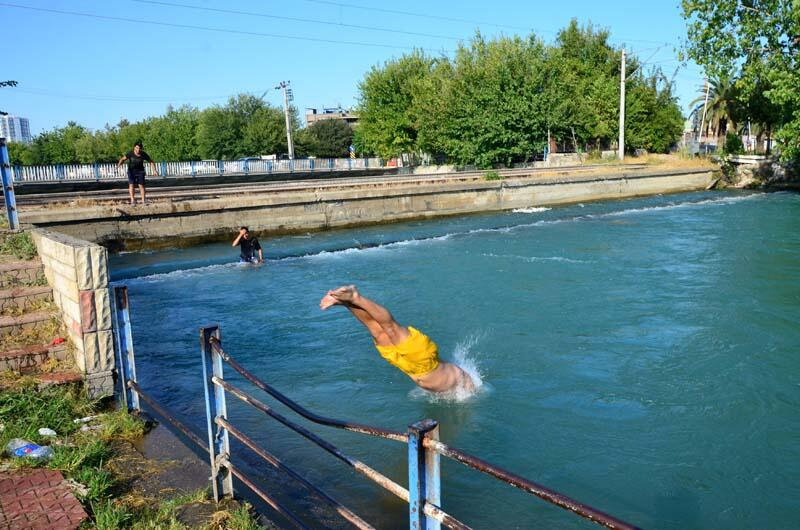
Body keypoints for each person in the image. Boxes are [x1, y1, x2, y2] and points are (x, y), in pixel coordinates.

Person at [320, 285, 475, 393]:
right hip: (423, 360)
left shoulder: (456, 378)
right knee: (390, 328)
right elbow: (467, 390)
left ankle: (345, 302)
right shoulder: (467, 385)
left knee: (375, 330)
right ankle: (356, 297)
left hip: (409, 366)